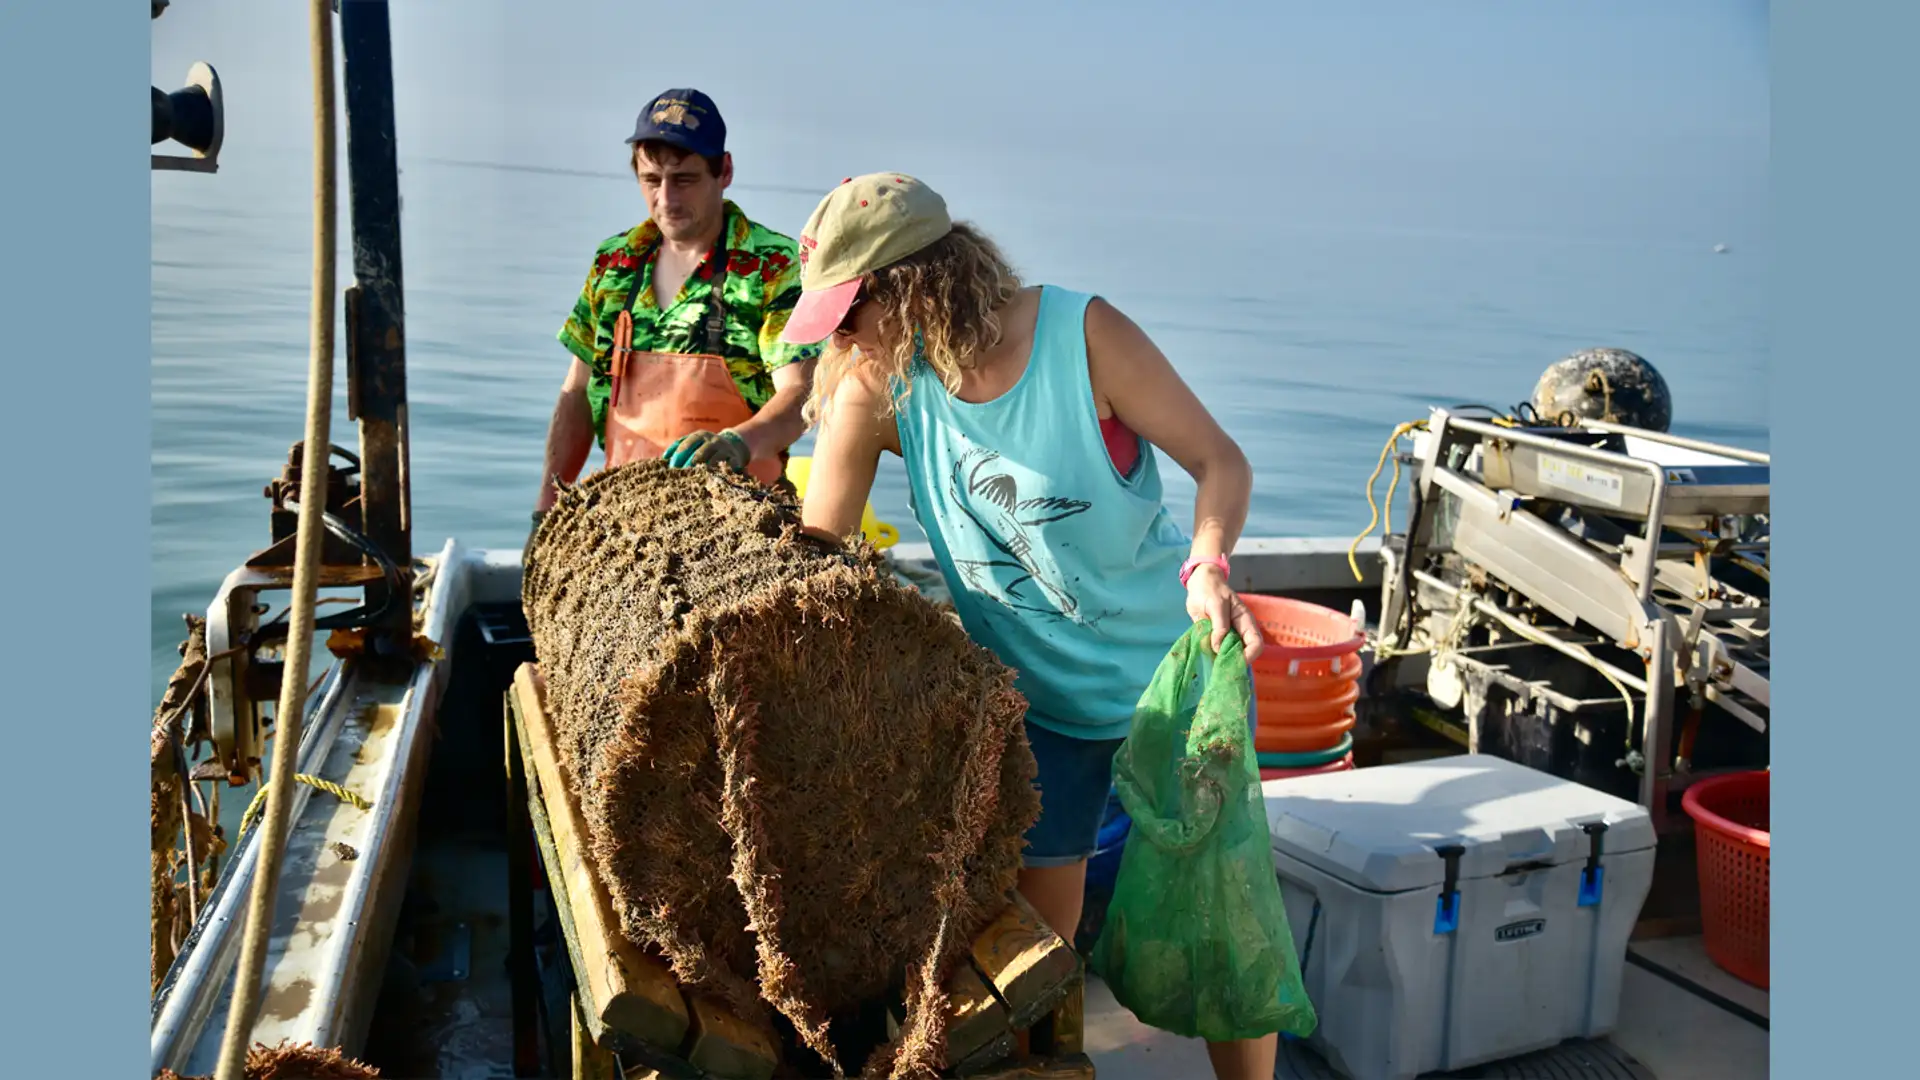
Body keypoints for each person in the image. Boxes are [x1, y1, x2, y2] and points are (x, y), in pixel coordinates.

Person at [782, 173, 1275, 1080]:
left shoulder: (1081, 337)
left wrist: (1207, 565)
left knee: (1220, 932)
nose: (842, 341)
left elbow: (1219, 460)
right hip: (1038, 707)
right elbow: (818, 556)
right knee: (1031, 957)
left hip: (1171, 679)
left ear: (913, 285)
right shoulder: (874, 386)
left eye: (851, 316)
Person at [531, 88, 819, 534]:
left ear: (723, 171)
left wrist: (737, 445)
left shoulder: (772, 265)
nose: (666, 198)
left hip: (743, 525)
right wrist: (547, 508)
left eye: (684, 179)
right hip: (624, 525)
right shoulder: (615, 262)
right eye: (651, 180)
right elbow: (576, 392)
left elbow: (801, 395)